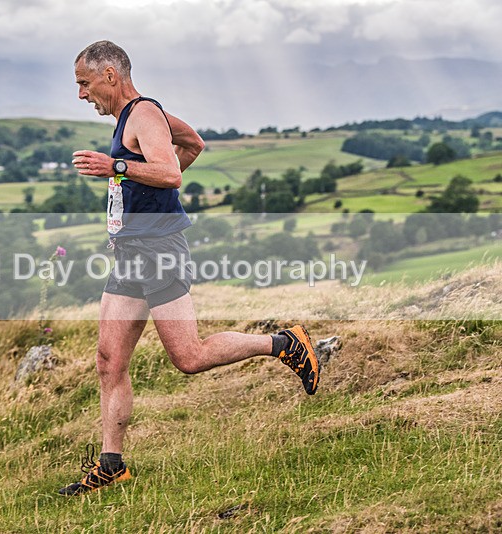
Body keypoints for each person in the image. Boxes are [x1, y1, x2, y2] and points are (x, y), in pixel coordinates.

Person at [58, 40, 319, 496]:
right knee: (108, 360)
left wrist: (115, 167)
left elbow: (171, 173)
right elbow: (193, 143)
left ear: (110, 77)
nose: (81, 94)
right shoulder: (134, 117)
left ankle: (284, 343)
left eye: (84, 83)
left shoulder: (143, 114)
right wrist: (148, 193)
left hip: (159, 250)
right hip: (129, 251)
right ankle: (111, 464)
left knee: (189, 357)